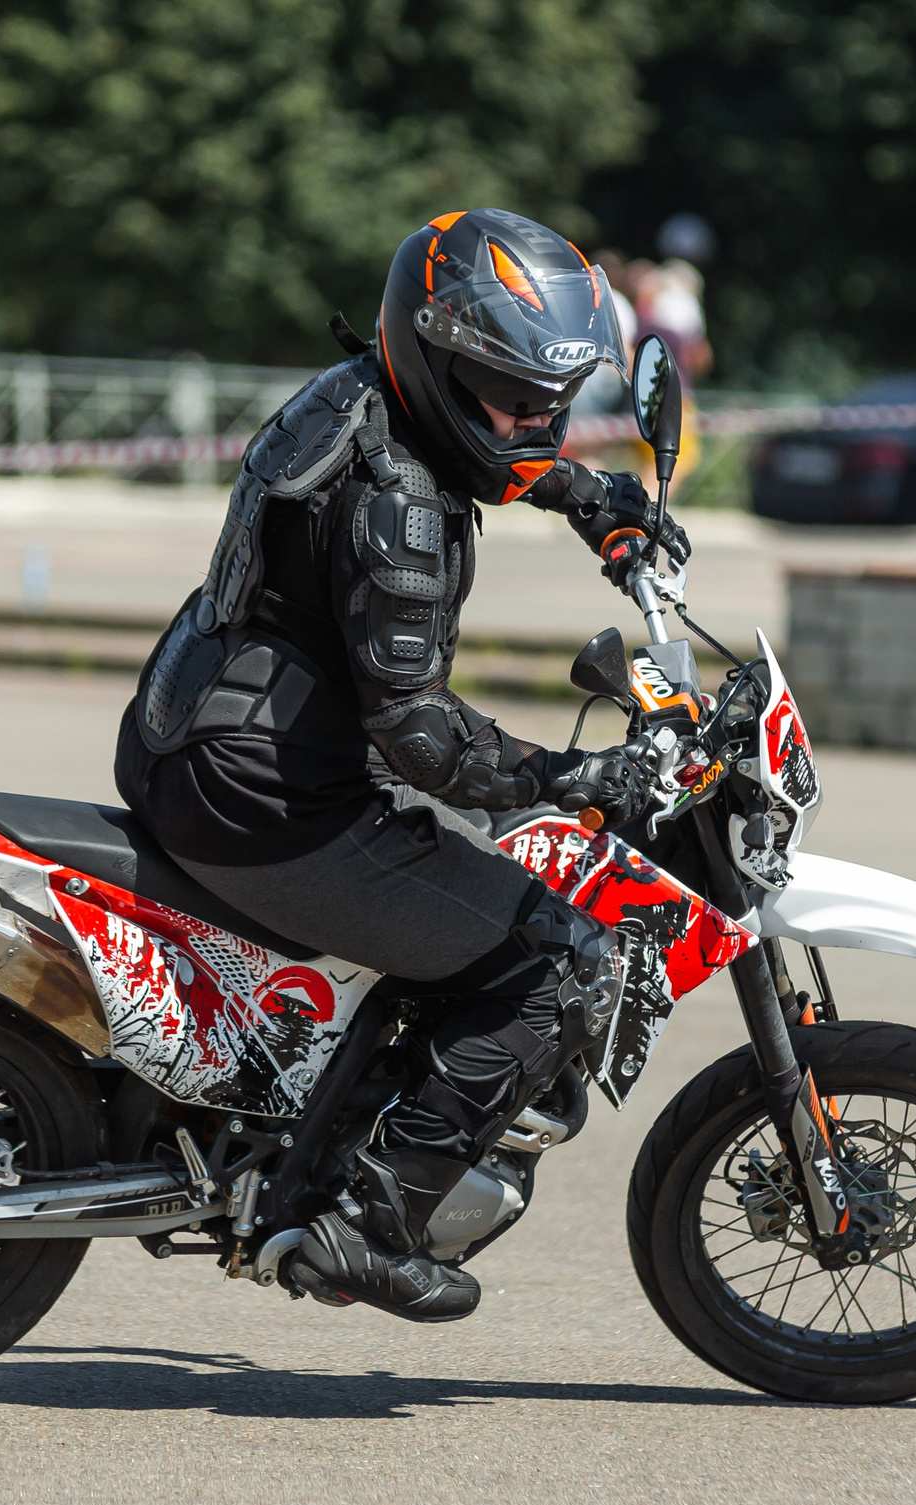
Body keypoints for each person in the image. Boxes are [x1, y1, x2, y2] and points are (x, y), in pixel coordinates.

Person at [113, 209, 689, 1323]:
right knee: (561, 960)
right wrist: (572, 779)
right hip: (270, 801)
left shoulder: (360, 397)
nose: (536, 419)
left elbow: (481, 443)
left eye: (556, 398)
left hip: (190, 732)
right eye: (516, 394)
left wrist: (587, 497)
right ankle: (367, 1226)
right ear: (437, 362)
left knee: (472, 902)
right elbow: (420, 737)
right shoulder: (399, 503)